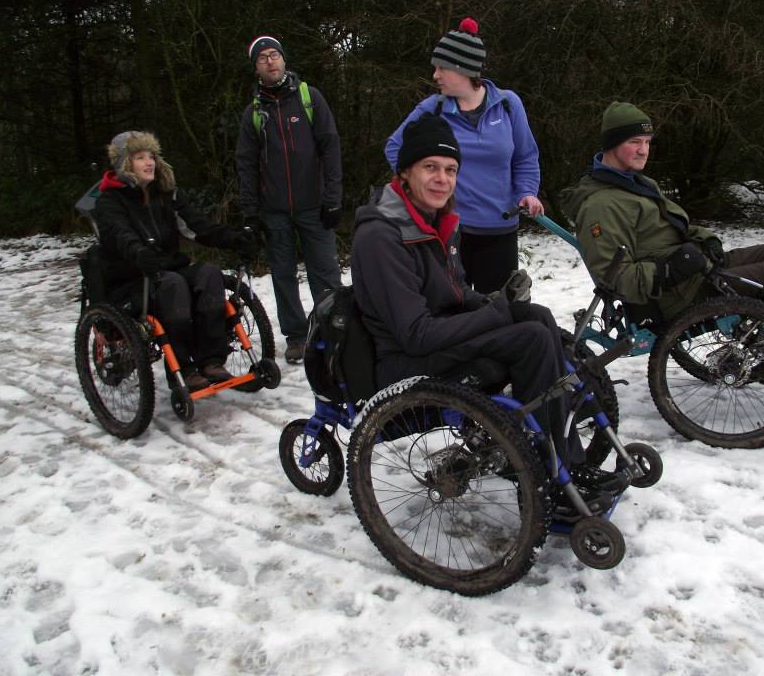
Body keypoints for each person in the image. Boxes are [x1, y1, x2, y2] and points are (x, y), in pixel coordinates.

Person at [560, 101, 764, 377]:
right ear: (612, 145)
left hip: (692, 270)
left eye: (647, 142)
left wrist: (706, 240)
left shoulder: (635, 182)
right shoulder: (602, 205)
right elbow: (613, 277)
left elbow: (673, 226)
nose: (643, 150)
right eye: (634, 142)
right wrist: (669, 271)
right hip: (674, 293)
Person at [353, 113, 588, 470]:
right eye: (430, 166)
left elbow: (456, 292)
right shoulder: (381, 237)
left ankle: (563, 454)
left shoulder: (437, 220)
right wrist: (495, 314)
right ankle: (551, 472)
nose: (442, 179)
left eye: (450, 170)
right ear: (405, 173)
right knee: (530, 338)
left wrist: (496, 301)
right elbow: (415, 334)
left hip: (437, 342)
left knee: (537, 316)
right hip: (403, 362)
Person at [384, 18, 542, 295]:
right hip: (448, 231)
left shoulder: (507, 104)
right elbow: (396, 147)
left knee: (497, 316)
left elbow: (525, 157)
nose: (435, 75)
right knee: (450, 314)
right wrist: (423, 191)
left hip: (499, 231)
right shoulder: (433, 109)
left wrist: (526, 192)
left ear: (463, 69)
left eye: (441, 68)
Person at [95, 131, 256, 391]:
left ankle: (212, 360)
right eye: (140, 157)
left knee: (208, 274)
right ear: (125, 164)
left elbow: (197, 226)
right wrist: (139, 253)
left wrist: (233, 238)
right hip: (132, 279)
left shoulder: (166, 195)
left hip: (168, 270)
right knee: (174, 285)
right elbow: (119, 235)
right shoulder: (109, 202)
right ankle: (183, 368)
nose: (149, 163)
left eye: (152, 157)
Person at [235, 35, 343, 365]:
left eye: (275, 55)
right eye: (263, 58)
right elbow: (246, 164)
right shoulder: (253, 113)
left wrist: (333, 198)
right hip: (274, 210)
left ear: (284, 60)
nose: (271, 61)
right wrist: (251, 212)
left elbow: (331, 147)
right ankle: (296, 337)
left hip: (314, 205)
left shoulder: (310, 99)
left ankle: (333, 332)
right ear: (256, 68)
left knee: (324, 272)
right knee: (282, 274)